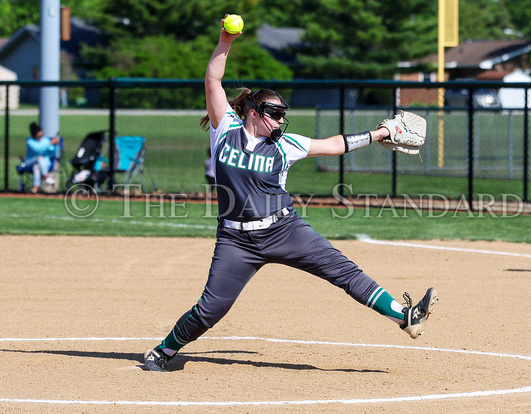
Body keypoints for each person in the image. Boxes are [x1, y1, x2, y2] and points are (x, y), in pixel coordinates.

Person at [144, 16, 438, 372]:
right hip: (236, 240)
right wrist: (226, 40)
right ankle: (165, 350)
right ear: (253, 111)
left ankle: (405, 317)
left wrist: (379, 133)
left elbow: (333, 145)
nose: (281, 121)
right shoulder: (225, 128)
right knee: (211, 308)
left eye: (283, 115)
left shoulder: (286, 145)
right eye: (275, 114)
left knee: (345, 272)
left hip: (285, 230)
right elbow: (213, 79)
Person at [20, 122, 61, 193]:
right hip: (30, 162)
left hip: (44, 164)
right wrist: (50, 143)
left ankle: (35, 189)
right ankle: (46, 177)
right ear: (35, 134)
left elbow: (53, 153)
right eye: (39, 134)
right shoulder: (30, 141)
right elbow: (38, 149)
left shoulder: (45, 140)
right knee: (39, 158)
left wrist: (56, 145)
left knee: (36, 167)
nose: (41, 135)